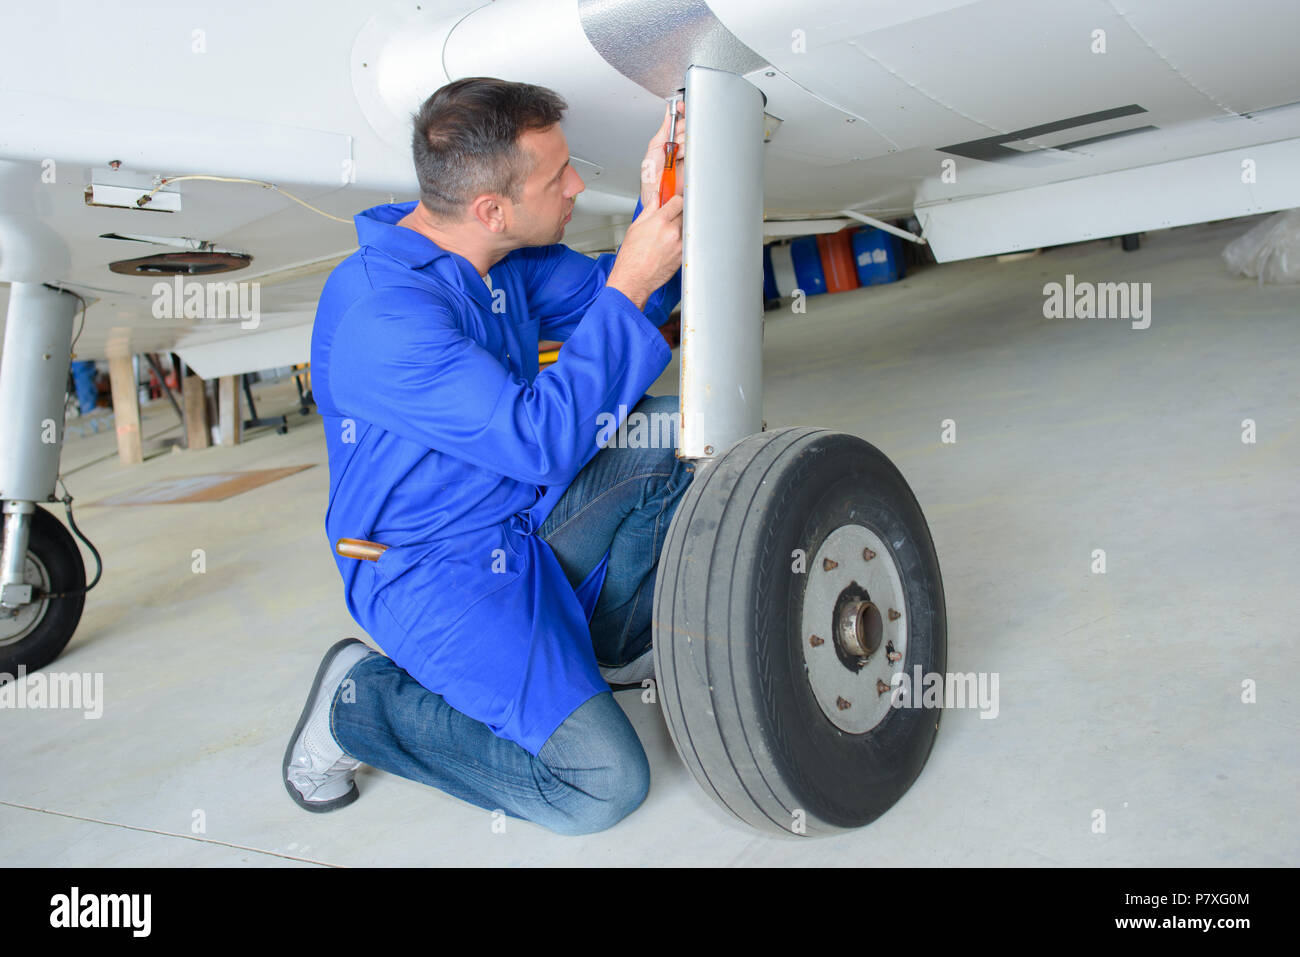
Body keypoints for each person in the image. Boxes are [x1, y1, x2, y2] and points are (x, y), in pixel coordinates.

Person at [283, 77, 692, 835]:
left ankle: (602, 648)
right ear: (490, 208)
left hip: (519, 513)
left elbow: (627, 296)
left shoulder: (499, 256)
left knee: (670, 438)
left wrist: (658, 200)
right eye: (556, 177)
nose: (576, 185)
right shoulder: (383, 316)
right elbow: (541, 438)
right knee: (602, 783)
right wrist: (632, 278)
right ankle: (360, 702)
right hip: (429, 565)